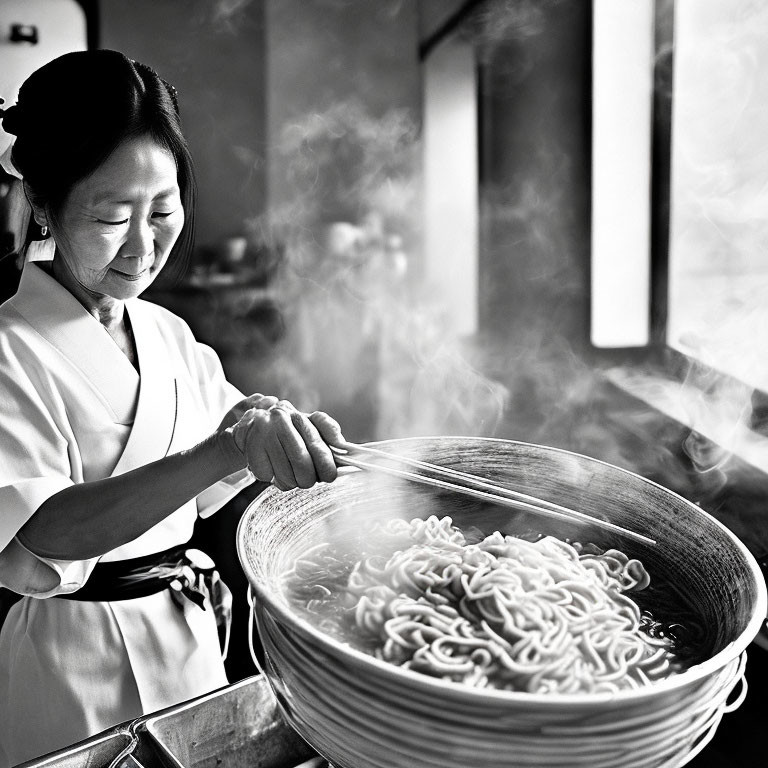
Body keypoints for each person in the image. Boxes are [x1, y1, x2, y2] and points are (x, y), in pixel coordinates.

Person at [0, 49, 345, 766]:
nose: (143, 244)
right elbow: (41, 530)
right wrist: (226, 447)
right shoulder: (8, 348)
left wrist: (271, 427)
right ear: (40, 202)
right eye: (111, 216)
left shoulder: (165, 332)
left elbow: (223, 465)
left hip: (188, 641)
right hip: (72, 664)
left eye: (162, 210)